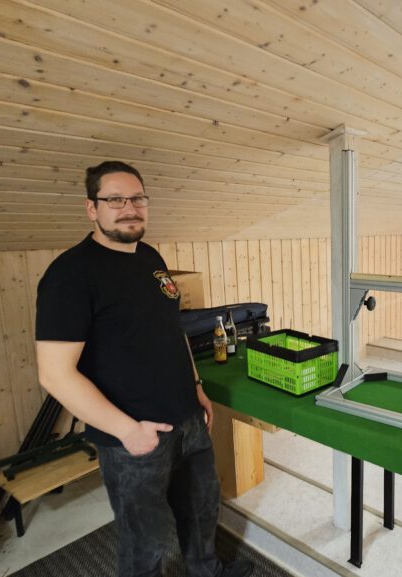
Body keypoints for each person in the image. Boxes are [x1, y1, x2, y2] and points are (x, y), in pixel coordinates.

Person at [35, 161, 252, 577]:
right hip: (134, 435)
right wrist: (128, 431)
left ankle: (207, 572)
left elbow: (173, 329)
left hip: (188, 418)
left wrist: (196, 386)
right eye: (115, 200)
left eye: (137, 198)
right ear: (91, 208)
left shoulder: (150, 257)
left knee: (202, 510)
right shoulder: (69, 275)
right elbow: (55, 374)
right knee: (146, 541)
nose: (129, 208)